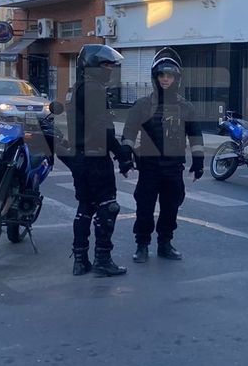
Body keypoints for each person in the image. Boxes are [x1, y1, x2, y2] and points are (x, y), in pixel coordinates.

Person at [122, 48, 204, 263]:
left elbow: (195, 135)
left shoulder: (186, 107)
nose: (165, 79)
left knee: (170, 208)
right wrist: (125, 156)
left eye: (169, 75)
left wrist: (198, 161)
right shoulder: (142, 105)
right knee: (145, 208)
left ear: (176, 78)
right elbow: (129, 133)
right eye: (161, 75)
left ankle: (165, 243)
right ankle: (142, 245)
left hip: (174, 168)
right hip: (149, 168)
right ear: (155, 77)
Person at [61, 44, 132, 277]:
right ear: (93, 65)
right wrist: (122, 154)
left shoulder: (78, 88)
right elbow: (101, 128)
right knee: (107, 207)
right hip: (95, 159)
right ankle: (103, 259)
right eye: (106, 65)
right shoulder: (93, 89)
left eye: (111, 65)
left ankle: (80, 260)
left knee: (85, 208)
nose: (110, 69)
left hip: (80, 158)